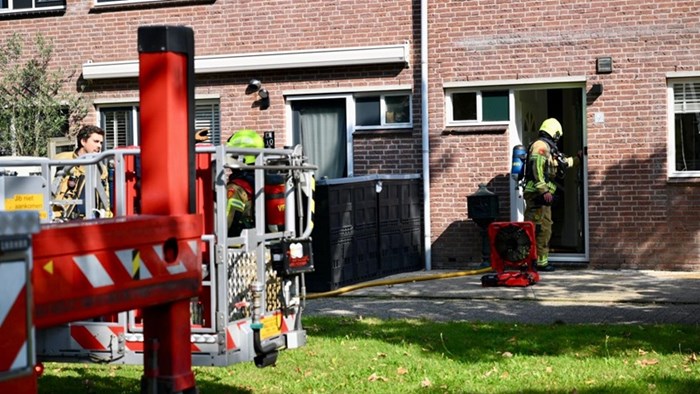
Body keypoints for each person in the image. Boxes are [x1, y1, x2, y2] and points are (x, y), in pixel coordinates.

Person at [523, 118, 581, 272]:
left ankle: (540, 261)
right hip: (537, 196)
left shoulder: (550, 149)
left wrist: (579, 159)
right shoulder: (540, 146)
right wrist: (544, 191)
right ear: (554, 133)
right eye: (558, 135)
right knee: (537, 228)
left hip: (542, 197)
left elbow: (562, 163)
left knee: (545, 228)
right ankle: (528, 261)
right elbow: (537, 169)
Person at [53, 125, 112, 220]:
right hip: (63, 219)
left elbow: (106, 196)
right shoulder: (61, 160)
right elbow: (49, 190)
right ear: (83, 141)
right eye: (96, 141)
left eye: (101, 143)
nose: (99, 146)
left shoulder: (101, 168)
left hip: (92, 220)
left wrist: (107, 216)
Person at [225, 129, 264, 236]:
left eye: (233, 155)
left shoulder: (236, 187)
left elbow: (227, 221)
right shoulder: (260, 179)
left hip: (238, 244)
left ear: (241, 158)